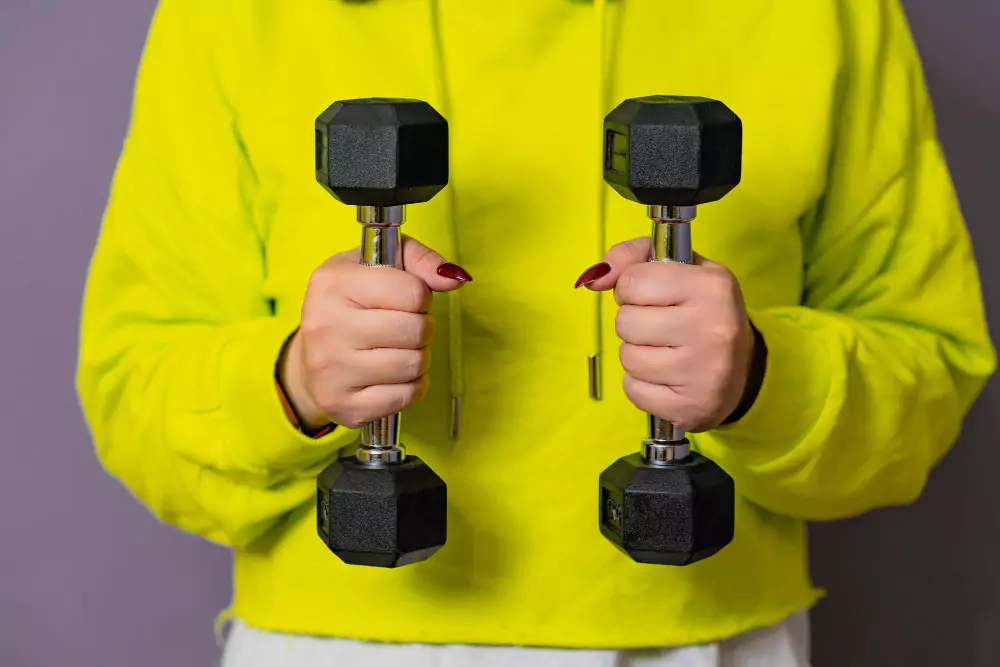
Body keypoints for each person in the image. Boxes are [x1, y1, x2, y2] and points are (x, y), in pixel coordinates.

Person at [75, 0, 995, 665]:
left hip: (700, 642)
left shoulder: (824, 11)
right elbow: (132, 392)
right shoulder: (232, 16)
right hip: (340, 647)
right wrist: (292, 382)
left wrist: (762, 376)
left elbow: (929, 370)